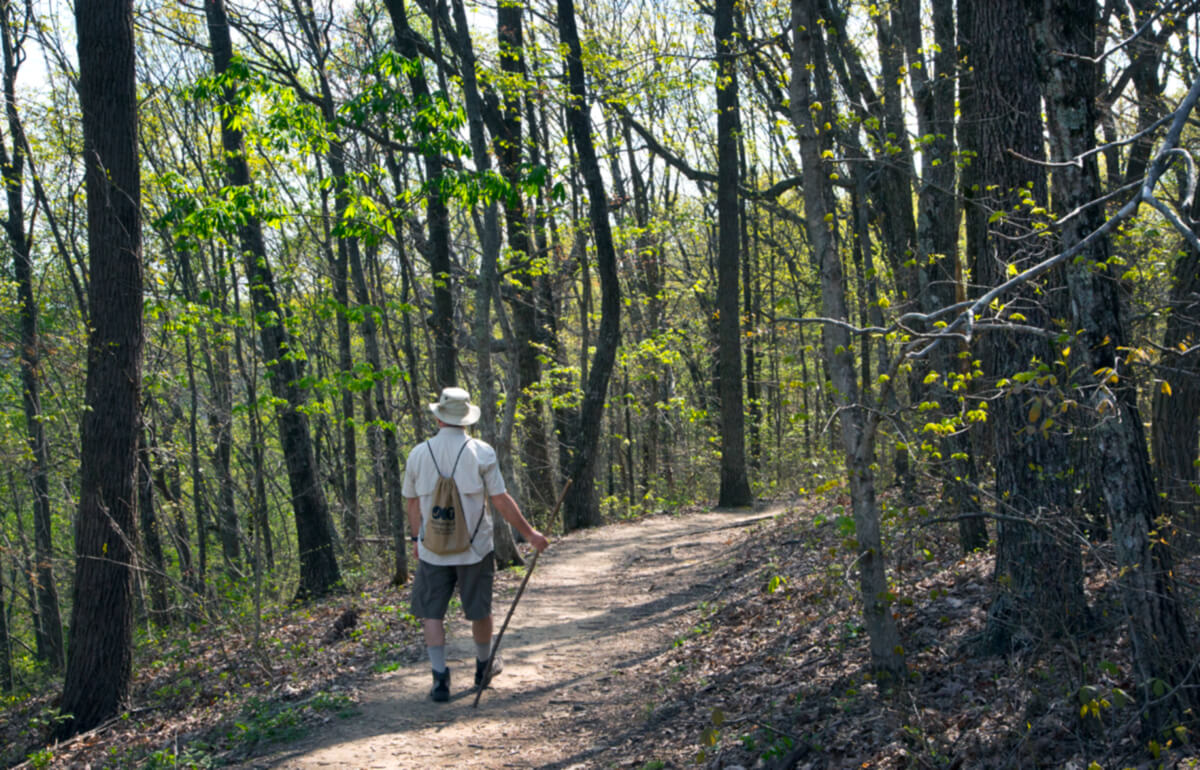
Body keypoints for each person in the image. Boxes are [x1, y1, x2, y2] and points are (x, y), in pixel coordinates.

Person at [403, 387, 549, 702]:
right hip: (474, 549)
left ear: (439, 417)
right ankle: (483, 667)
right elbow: (500, 500)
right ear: (465, 419)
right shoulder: (481, 452)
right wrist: (530, 533)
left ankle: (440, 679)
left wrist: (417, 539)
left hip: (432, 550)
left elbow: (412, 504)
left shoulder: (417, 454)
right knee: (479, 610)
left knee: (432, 613)